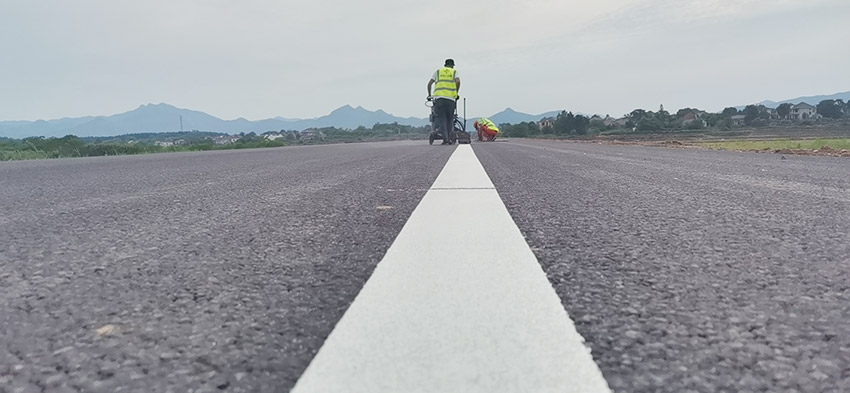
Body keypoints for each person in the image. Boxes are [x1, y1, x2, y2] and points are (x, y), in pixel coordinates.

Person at [427, 59, 461, 145]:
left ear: (445, 65)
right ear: (453, 65)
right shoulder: (454, 72)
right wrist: (456, 93)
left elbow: (429, 84)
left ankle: (445, 139)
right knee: (450, 119)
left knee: (442, 119)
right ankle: (448, 137)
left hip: (439, 99)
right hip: (450, 99)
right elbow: (458, 81)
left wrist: (429, 95)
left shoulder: (438, 72)